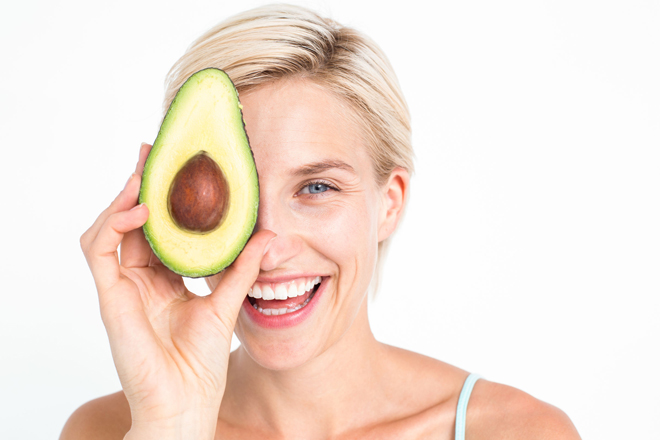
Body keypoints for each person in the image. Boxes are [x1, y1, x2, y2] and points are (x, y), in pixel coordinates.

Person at [62, 4, 580, 439]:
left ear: (389, 203)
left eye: (316, 187)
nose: (269, 248)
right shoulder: (108, 429)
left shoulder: (518, 431)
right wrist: (171, 420)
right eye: (233, 197)